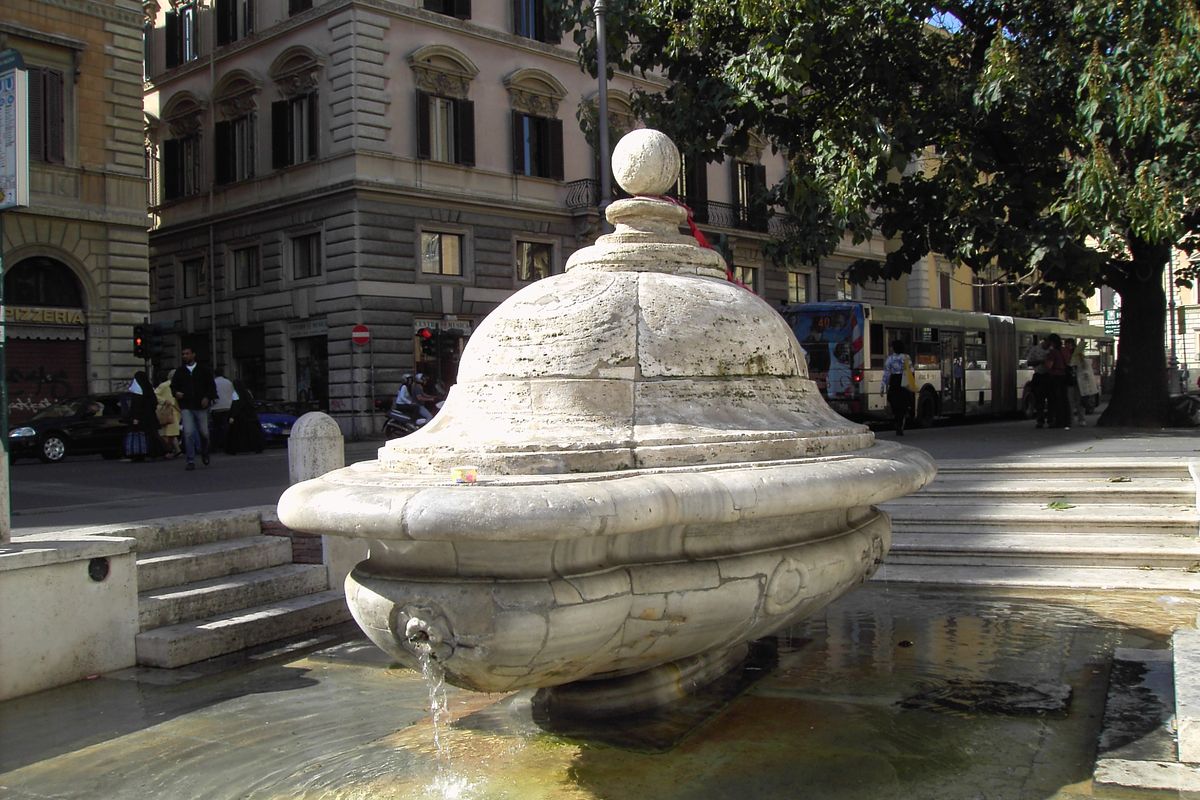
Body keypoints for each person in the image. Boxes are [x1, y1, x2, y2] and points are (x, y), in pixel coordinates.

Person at [170, 346, 218, 471]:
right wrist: (176, 393)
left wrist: (207, 397)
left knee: (204, 432)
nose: (185, 356)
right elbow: (173, 386)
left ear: (193, 355)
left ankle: (205, 451)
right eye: (183, 354)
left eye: (187, 354)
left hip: (200, 406)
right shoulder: (180, 371)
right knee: (188, 433)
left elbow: (211, 386)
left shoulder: (203, 370)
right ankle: (190, 460)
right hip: (186, 405)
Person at [126, 371, 165, 461]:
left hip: (140, 418)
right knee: (152, 435)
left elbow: (136, 405)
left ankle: (139, 453)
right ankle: (157, 452)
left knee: (139, 436)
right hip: (150, 417)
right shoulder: (148, 389)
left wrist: (135, 417)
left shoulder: (138, 391)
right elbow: (154, 402)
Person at [879, 340, 915, 435]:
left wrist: (883, 387)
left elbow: (886, 374)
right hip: (904, 380)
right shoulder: (906, 357)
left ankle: (897, 421)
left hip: (894, 381)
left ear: (894, 348)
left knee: (895, 403)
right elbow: (911, 371)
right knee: (904, 404)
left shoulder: (890, 359)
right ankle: (901, 423)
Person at [224, 380, 264, 455]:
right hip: (250, 416)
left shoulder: (235, 394)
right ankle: (257, 447)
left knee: (236, 434)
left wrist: (232, 416)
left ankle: (234, 449)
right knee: (252, 434)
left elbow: (236, 405)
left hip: (240, 418)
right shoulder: (247, 393)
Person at [1044, 333, 1070, 429]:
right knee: (1064, 399)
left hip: (1055, 377)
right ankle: (1066, 421)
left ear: (1051, 342)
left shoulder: (1053, 352)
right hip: (1064, 376)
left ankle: (1056, 420)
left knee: (1054, 399)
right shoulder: (1065, 350)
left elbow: (1049, 366)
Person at [1025, 337, 1050, 428]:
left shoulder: (1052, 350)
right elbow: (1029, 363)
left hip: (1050, 376)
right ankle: (1040, 420)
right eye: (1048, 343)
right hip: (1039, 376)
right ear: (1045, 341)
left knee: (1051, 399)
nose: (1049, 345)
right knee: (1039, 400)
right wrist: (1040, 361)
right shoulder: (1035, 350)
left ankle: (1050, 419)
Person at [155, 375, 181, 458]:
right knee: (168, 432)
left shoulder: (176, 385)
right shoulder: (165, 385)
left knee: (171, 432)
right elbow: (155, 395)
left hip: (174, 411)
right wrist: (164, 401)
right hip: (168, 411)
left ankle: (173, 450)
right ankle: (173, 450)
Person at [1063, 338, 1087, 427]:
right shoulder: (1066, 354)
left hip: (1077, 380)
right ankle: (1073, 419)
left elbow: (1083, 364)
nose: (1067, 347)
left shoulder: (1078, 354)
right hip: (1071, 380)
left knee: (1078, 401)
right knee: (1071, 401)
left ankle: (1080, 419)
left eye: (1068, 345)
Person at [211, 371, 235, 449]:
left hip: (216, 407)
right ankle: (226, 443)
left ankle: (216, 445)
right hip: (227, 407)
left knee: (216, 427)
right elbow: (232, 394)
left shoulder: (214, 382)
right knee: (226, 426)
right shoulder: (228, 382)